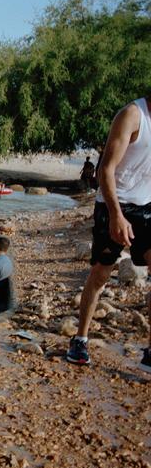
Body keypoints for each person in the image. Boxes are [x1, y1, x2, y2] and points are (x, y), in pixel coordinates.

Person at [67, 97, 151, 371]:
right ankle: (80, 340)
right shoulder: (132, 115)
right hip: (113, 202)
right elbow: (106, 169)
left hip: (146, 206)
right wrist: (117, 215)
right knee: (102, 273)